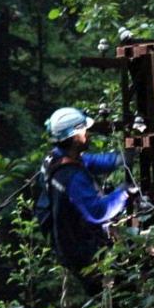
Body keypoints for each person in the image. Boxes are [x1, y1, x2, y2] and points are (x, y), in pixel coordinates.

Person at [34, 107, 136, 295]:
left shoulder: (55, 158)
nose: (87, 135)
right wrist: (124, 193)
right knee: (120, 294)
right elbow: (97, 213)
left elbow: (90, 162)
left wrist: (119, 160)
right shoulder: (71, 178)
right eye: (83, 132)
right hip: (84, 253)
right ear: (74, 137)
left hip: (67, 244)